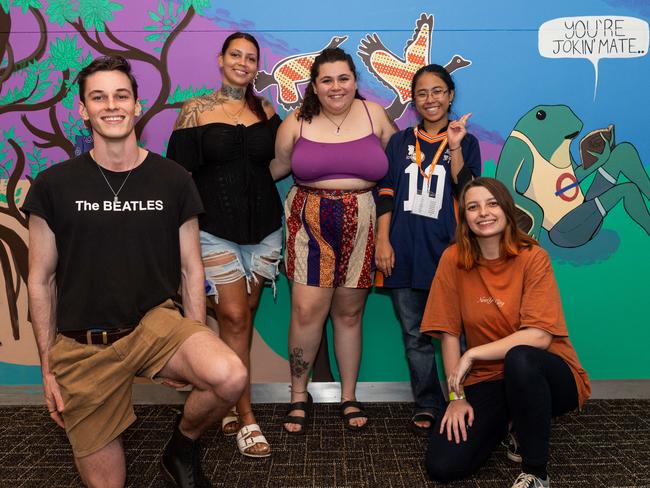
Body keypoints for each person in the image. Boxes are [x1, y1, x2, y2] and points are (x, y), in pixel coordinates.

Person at [23, 55, 247, 488]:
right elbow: (40, 280)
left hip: (153, 325)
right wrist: (47, 368)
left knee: (229, 375)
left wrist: (195, 335)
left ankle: (182, 447)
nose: (112, 105)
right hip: (83, 345)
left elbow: (189, 265)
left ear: (137, 105)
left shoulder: (173, 179)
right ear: (83, 110)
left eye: (121, 95)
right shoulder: (53, 184)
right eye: (99, 97)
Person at [420, 177, 591, 488]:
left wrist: (471, 353)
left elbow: (540, 337)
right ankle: (512, 421)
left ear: (507, 210)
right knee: (443, 465)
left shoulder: (532, 257)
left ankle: (536, 473)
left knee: (520, 358)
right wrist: (456, 398)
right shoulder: (453, 259)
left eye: (492, 204)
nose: (483, 213)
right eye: (473, 207)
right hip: (488, 379)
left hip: (548, 374)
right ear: (465, 218)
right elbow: (447, 333)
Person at [167, 32, 282, 458]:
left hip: (265, 229)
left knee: (243, 316)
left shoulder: (266, 108)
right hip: (213, 227)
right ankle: (248, 420)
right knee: (232, 314)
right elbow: (179, 174)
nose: (243, 62)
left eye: (251, 58)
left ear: (257, 66)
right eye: (236, 54)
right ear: (220, 60)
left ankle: (229, 395)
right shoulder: (195, 109)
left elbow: (277, 161)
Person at [271, 47, 396, 433]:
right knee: (307, 312)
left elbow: (400, 168)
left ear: (355, 81)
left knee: (349, 314)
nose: (336, 86)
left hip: (363, 222)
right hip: (308, 222)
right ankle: (297, 395)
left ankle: (349, 395)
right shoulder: (296, 122)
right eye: (326, 79)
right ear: (314, 85)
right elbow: (274, 169)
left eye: (343, 78)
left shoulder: (376, 115)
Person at [375, 64, 481, 436]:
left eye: (438, 91)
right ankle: (428, 402)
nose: (431, 99)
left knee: (460, 334)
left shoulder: (465, 141)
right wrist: (383, 240)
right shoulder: (400, 141)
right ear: (413, 100)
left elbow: (467, 191)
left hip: (449, 252)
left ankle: (464, 398)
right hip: (403, 249)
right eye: (422, 92)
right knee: (415, 336)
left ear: (450, 95)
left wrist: (453, 146)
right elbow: (385, 192)